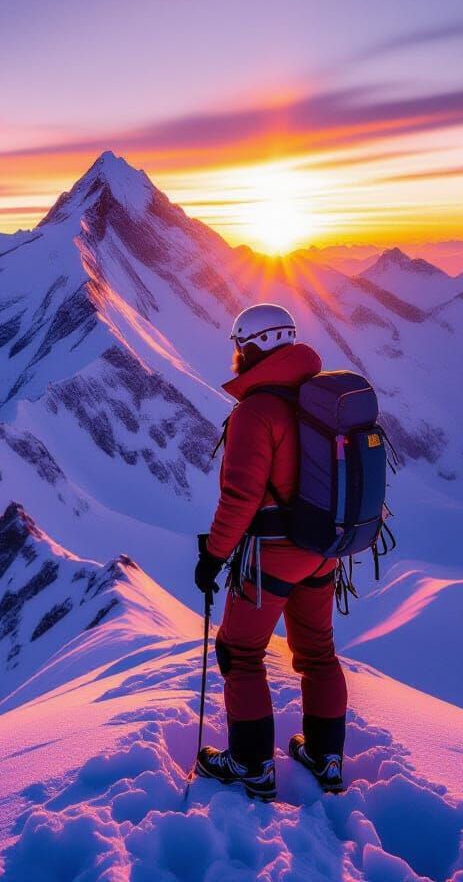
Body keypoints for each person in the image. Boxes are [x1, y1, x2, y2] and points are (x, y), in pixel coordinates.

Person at [193, 303, 347, 801]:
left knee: (239, 652)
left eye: (238, 346)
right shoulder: (321, 399)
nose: (234, 356)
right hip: (323, 551)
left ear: (250, 347)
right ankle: (326, 757)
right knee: (318, 654)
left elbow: (240, 497)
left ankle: (252, 765)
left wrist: (214, 557)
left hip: (273, 556)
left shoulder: (257, 411)